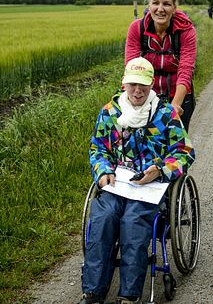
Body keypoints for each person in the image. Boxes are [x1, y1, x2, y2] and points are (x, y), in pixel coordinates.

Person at [81, 57, 195, 304]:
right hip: (117, 185)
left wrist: (161, 170)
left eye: (143, 84)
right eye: (132, 84)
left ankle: (129, 296)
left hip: (150, 188)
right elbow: (97, 149)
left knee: (134, 221)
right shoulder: (110, 112)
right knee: (102, 219)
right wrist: (102, 172)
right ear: (124, 84)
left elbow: (185, 151)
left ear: (151, 84)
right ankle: (93, 292)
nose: (137, 90)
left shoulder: (165, 114)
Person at [125, 0, 197, 130]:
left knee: (176, 146)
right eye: (155, 3)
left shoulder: (186, 31)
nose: (160, 9)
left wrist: (176, 105)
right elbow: (131, 68)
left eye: (166, 4)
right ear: (149, 5)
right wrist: (128, 99)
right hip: (147, 96)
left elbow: (186, 70)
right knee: (145, 145)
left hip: (178, 94)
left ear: (174, 7)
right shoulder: (137, 29)